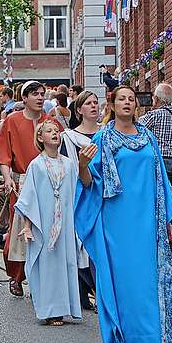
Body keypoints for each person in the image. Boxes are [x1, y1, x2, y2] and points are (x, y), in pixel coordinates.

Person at [74, 85, 172, 343]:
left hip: (147, 218)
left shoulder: (148, 137)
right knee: (126, 277)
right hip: (117, 220)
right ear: (113, 104)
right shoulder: (103, 137)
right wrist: (83, 166)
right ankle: (131, 338)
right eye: (122, 99)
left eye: (132, 99)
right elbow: (90, 183)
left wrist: (166, 215)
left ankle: (147, 335)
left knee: (146, 277)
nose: (127, 103)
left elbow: (161, 179)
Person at [0, 80, 57, 297]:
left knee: (47, 228)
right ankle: (16, 276)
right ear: (24, 98)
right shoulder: (12, 121)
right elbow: (3, 153)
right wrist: (7, 178)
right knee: (19, 230)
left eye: (42, 94)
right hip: (20, 182)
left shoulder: (51, 121)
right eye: (35, 94)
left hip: (49, 181)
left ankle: (44, 275)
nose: (40, 98)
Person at [15, 120, 82, 326]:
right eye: (49, 131)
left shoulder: (70, 165)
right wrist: (27, 225)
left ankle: (67, 306)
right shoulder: (36, 165)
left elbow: (74, 195)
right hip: (43, 223)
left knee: (66, 262)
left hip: (65, 222)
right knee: (48, 264)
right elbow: (29, 197)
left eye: (57, 131)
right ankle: (50, 309)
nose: (55, 133)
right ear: (40, 138)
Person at [60, 89, 102, 312]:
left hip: (103, 192)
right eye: (88, 103)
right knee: (81, 242)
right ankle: (84, 290)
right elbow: (67, 168)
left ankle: (100, 290)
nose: (94, 106)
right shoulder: (69, 137)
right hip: (80, 193)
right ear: (79, 110)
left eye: (96, 103)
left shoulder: (106, 133)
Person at [138, 82, 172, 223]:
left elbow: (134, 129)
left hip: (157, 159)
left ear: (156, 99)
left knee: (156, 195)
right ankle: (171, 215)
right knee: (169, 189)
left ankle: (166, 219)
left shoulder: (154, 115)